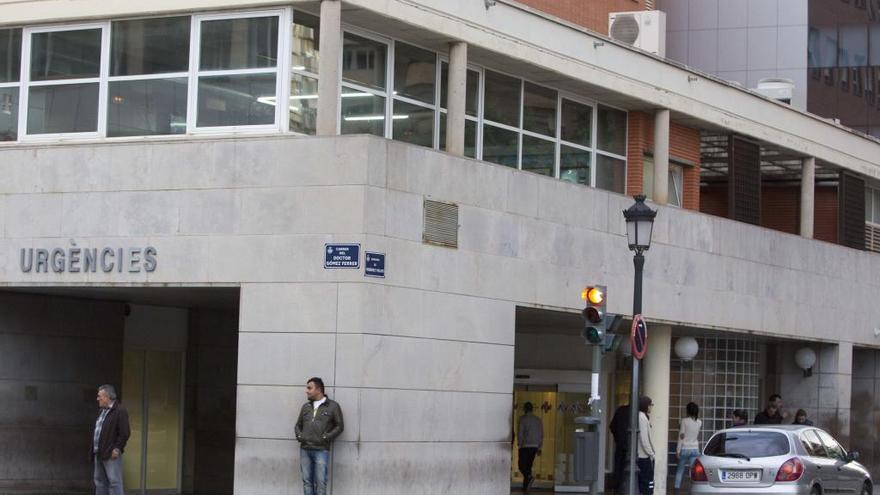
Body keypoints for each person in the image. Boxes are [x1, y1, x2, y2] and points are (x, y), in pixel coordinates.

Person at [295, 377, 344, 495]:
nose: (306, 391)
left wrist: (326, 438)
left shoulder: (333, 406)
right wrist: (300, 436)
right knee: (307, 482)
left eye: (309, 388)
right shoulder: (305, 407)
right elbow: (298, 425)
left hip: (321, 450)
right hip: (305, 449)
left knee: (321, 483)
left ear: (318, 389)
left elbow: (339, 426)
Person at [92, 384, 130, 495]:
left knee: (114, 482)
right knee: (99, 482)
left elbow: (125, 433)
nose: (97, 398)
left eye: (100, 396)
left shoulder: (120, 410)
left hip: (111, 453)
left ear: (108, 397)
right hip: (98, 452)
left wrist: (117, 448)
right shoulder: (102, 411)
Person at [674, 402, 702, 494]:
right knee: (693, 471)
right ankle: (692, 490)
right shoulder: (699, 422)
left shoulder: (684, 421)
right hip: (695, 448)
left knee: (680, 471)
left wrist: (678, 450)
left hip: (685, 448)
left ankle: (676, 491)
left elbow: (681, 436)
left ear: (688, 410)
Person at [517, 402, 543, 492]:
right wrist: (539, 447)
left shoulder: (523, 419)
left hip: (525, 445)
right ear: (532, 409)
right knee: (528, 466)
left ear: (525, 409)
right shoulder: (538, 420)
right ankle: (526, 486)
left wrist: (519, 444)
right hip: (535, 446)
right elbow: (541, 434)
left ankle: (528, 477)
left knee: (521, 466)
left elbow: (520, 433)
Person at [609, 404, 631, 493]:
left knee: (618, 468)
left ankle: (617, 489)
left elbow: (612, 426)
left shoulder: (620, 410)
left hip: (620, 445)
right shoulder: (636, 413)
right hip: (630, 446)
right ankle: (624, 489)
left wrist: (617, 438)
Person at [637, 396, 656, 495]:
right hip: (643, 456)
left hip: (643, 455)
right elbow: (644, 439)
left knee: (645, 483)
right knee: (647, 483)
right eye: (650, 405)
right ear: (646, 405)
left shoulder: (642, 416)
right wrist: (651, 453)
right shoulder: (642, 417)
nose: (651, 407)